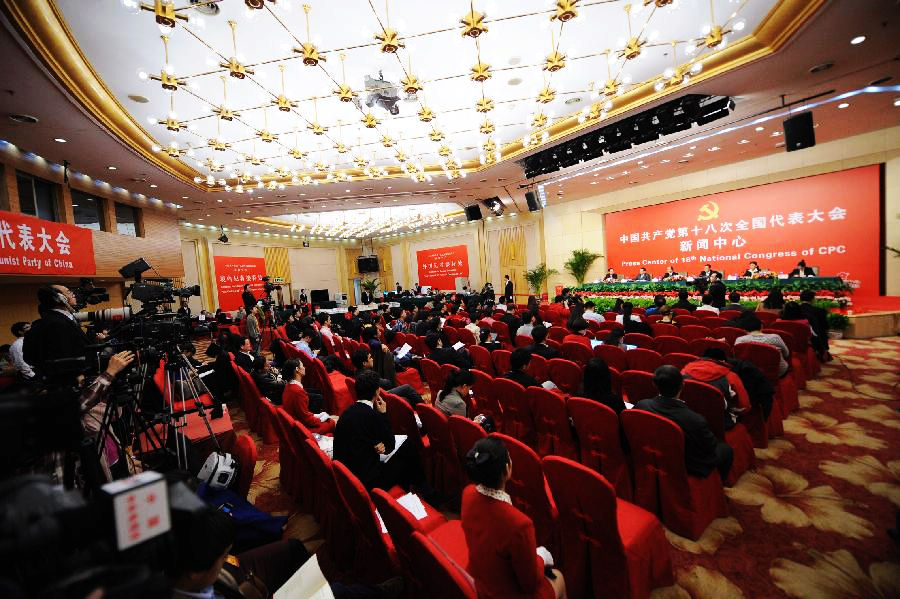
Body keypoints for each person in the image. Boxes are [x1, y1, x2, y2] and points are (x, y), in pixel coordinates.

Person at [461, 437, 566, 599]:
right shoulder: (519, 524)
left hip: (480, 578)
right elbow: (530, 584)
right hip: (504, 593)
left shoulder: (467, 494)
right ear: (507, 469)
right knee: (558, 577)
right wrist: (541, 556)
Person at [333, 370, 431, 497]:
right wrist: (384, 414)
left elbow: (362, 437)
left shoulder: (345, 414)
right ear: (377, 392)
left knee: (406, 447)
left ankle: (419, 489)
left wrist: (375, 444)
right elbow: (389, 447)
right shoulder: (373, 416)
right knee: (408, 452)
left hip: (348, 476)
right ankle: (422, 491)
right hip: (369, 482)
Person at [635, 366, 733, 481]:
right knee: (726, 450)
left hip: (653, 455)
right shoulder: (695, 420)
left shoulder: (641, 405)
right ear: (683, 385)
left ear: (654, 385)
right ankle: (718, 486)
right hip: (688, 465)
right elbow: (710, 447)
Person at [22, 285, 88, 377]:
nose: (73, 294)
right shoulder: (57, 323)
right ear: (59, 298)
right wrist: (78, 374)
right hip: (71, 380)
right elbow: (68, 355)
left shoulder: (51, 321)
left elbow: (29, 357)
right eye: (68, 292)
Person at [682, 348, 751, 429]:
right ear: (724, 361)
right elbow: (744, 406)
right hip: (721, 423)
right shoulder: (731, 376)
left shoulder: (684, 371)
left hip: (688, 418)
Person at [351, 348, 424, 407]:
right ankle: (424, 407)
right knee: (407, 388)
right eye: (370, 358)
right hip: (380, 397)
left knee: (408, 398)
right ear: (364, 363)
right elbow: (387, 383)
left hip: (374, 396)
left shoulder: (357, 372)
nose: (372, 359)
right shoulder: (368, 375)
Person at [282, 359, 335, 433]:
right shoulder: (298, 391)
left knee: (332, 418)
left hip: (297, 423)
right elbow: (306, 419)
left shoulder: (288, 386)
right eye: (302, 366)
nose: (304, 367)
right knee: (334, 422)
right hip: (302, 430)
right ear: (297, 370)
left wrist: (320, 416)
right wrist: (321, 420)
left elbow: (303, 414)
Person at [798, 289, 830, 359]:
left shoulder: (795, 310)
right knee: (822, 329)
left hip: (798, 337)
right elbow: (825, 326)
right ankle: (822, 350)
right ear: (812, 299)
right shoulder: (820, 311)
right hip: (815, 337)